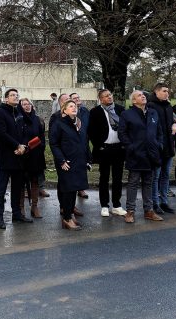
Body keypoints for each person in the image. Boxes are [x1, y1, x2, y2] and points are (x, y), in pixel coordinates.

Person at [118, 90, 164, 223]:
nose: (143, 96)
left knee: (148, 183)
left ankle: (148, 211)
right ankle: (130, 211)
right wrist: (131, 147)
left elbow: (159, 131)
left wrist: (159, 145)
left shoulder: (153, 113)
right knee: (133, 183)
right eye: (139, 95)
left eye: (144, 95)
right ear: (133, 101)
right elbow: (122, 133)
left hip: (151, 155)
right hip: (135, 155)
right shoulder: (127, 114)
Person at [0, 88, 32, 229]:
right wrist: (17, 145)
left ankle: (17, 214)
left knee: (17, 187)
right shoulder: (0, 112)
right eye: (12, 95)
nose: (16, 97)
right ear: (6, 99)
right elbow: (1, 133)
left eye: (17, 95)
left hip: (19, 156)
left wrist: (23, 147)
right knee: (1, 188)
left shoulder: (19, 111)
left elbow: (25, 130)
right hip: (6, 155)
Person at [49, 100, 91, 231]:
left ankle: (70, 215)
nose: (74, 108)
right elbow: (54, 144)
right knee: (68, 191)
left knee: (74, 190)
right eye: (71, 106)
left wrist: (88, 159)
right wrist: (61, 160)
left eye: (75, 106)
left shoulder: (79, 123)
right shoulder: (59, 124)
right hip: (67, 163)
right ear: (64, 110)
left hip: (79, 162)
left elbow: (85, 142)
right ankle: (66, 219)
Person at [87, 89, 126, 218]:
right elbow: (91, 132)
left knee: (117, 178)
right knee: (104, 178)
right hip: (104, 149)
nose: (109, 97)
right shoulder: (95, 112)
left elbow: (126, 128)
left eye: (110, 95)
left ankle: (117, 205)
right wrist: (99, 146)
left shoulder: (120, 109)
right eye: (106, 96)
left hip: (118, 149)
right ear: (100, 99)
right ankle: (104, 205)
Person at [146, 83, 176, 215]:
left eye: (167, 91)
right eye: (164, 91)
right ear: (156, 91)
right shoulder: (151, 106)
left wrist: (175, 124)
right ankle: (155, 203)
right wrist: (156, 146)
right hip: (157, 148)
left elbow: (172, 121)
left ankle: (164, 202)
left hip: (169, 147)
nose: (167, 93)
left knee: (165, 176)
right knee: (155, 177)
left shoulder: (169, 106)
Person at [18, 97, 46, 219]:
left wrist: (40, 148)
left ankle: (34, 207)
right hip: (22, 155)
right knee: (21, 182)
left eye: (28, 104)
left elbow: (42, 137)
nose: (27, 106)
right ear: (20, 106)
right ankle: (21, 207)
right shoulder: (18, 119)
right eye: (24, 104)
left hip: (36, 155)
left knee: (34, 181)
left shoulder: (37, 120)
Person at [69, 92, 91, 200]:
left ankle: (81, 188)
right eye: (74, 98)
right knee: (75, 166)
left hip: (84, 141)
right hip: (73, 143)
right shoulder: (70, 111)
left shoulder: (85, 111)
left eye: (78, 97)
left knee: (83, 165)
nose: (77, 99)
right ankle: (75, 188)